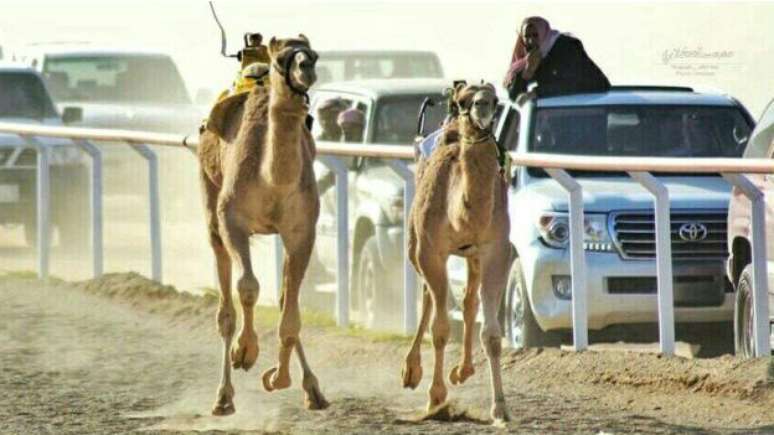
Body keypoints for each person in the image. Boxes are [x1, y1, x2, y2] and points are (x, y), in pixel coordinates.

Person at [504, 16, 610, 101]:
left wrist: (538, 93)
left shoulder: (565, 48)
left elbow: (575, 83)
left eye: (535, 35)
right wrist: (526, 74)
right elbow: (515, 99)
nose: (531, 41)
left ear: (543, 33)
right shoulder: (527, 59)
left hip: (586, 109)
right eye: (527, 37)